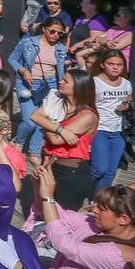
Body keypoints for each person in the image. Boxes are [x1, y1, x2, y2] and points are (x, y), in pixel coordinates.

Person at [26, 69, 100, 208]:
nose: (61, 82)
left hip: (70, 172)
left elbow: (55, 139)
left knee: (62, 215)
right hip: (50, 164)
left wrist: (47, 120)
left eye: (66, 81)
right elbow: (34, 116)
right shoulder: (59, 102)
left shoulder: (88, 115)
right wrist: (61, 130)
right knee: (43, 209)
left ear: (78, 86)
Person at [9, 21, 68, 148]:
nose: (56, 35)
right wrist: (23, 70)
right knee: (30, 121)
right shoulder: (28, 42)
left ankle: (33, 152)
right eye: (52, 31)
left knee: (44, 121)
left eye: (60, 33)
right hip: (26, 83)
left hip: (50, 85)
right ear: (44, 29)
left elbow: (61, 69)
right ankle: (18, 142)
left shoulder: (61, 47)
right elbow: (12, 58)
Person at [89, 50, 133, 190]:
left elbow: (128, 102)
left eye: (119, 64)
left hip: (118, 131)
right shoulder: (94, 82)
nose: (115, 67)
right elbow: (85, 105)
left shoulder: (126, 83)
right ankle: (78, 181)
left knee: (111, 170)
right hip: (99, 129)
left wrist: (126, 105)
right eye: (111, 64)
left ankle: (99, 201)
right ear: (102, 64)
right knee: (100, 169)